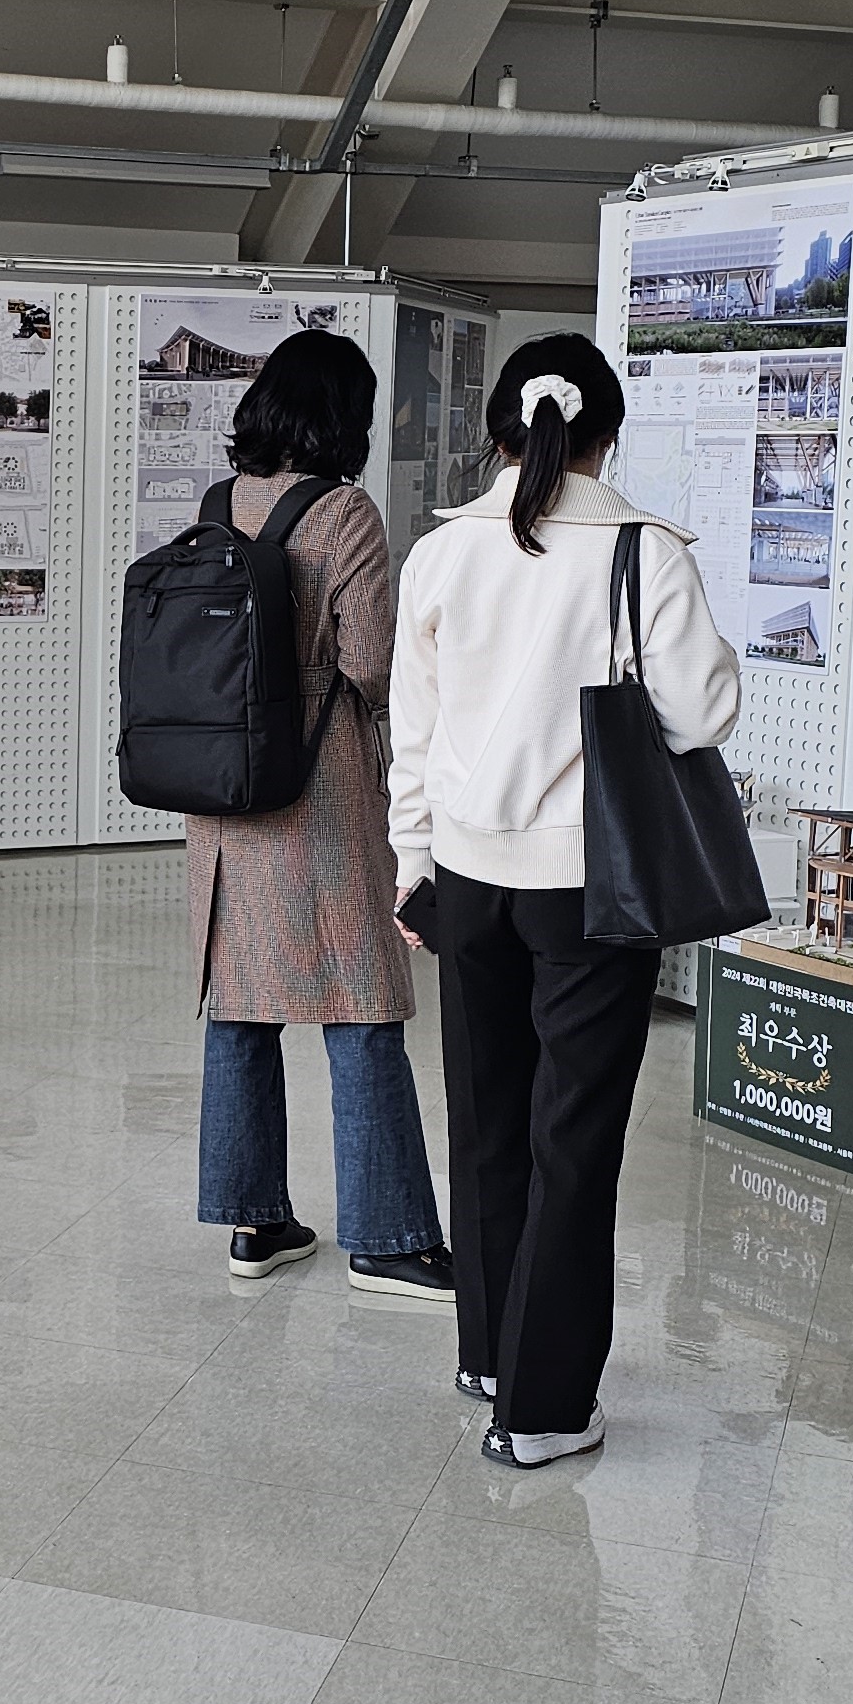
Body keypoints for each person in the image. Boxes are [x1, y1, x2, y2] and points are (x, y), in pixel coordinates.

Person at [387, 332, 741, 1467]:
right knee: (572, 1139)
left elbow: (414, 728)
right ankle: (542, 1408)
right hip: (589, 886)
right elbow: (702, 714)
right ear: (608, 436)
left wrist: (412, 861)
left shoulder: (442, 550)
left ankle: (491, 1353)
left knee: (485, 1119)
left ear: (499, 430)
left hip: (465, 875)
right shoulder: (643, 551)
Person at [182, 329, 451, 1303]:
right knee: (361, 1001)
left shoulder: (218, 504)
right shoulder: (344, 512)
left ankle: (255, 1222)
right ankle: (386, 1236)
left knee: (241, 1005)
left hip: (221, 794)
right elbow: (371, 663)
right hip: (321, 788)